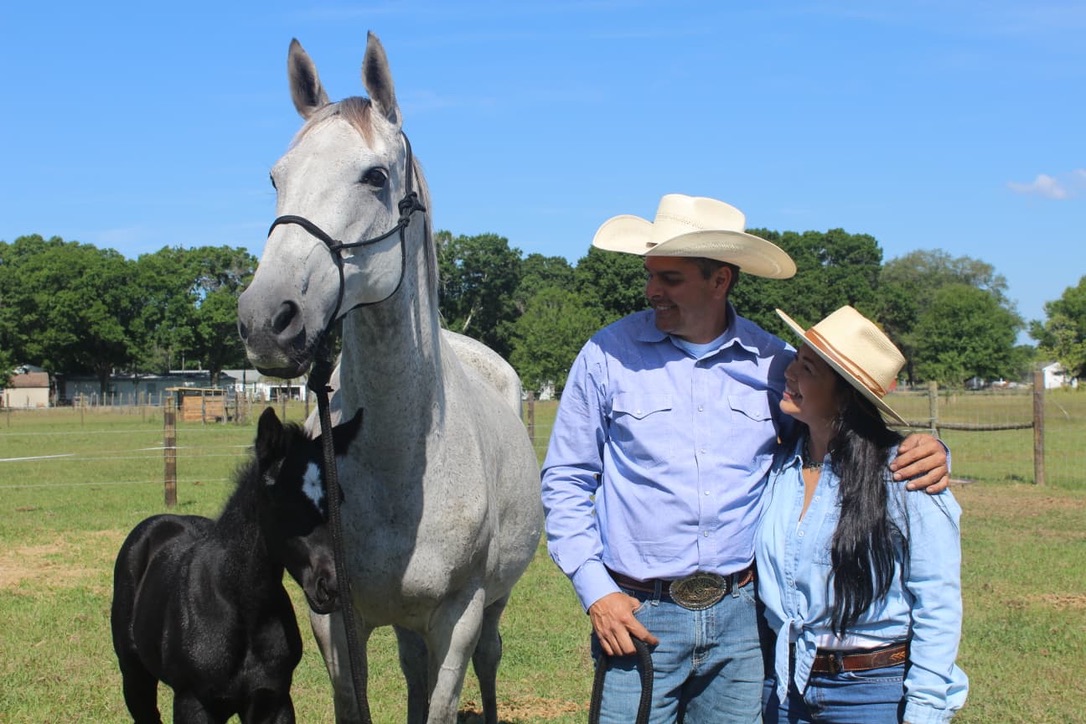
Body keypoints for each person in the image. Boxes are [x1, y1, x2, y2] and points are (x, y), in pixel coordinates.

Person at [541, 193, 950, 723]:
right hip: (638, 613)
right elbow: (567, 480)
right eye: (650, 274)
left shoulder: (775, 364)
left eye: (670, 278)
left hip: (743, 620)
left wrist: (928, 448)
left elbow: (838, 438)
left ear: (720, 280)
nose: (650, 290)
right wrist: (597, 592)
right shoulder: (606, 356)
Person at [756, 306, 967, 723]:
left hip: (874, 693)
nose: (790, 374)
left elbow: (938, 601)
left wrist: (924, 709)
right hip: (784, 687)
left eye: (808, 368)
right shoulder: (779, 468)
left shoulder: (902, 476)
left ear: (846, 395)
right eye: (796, 360)